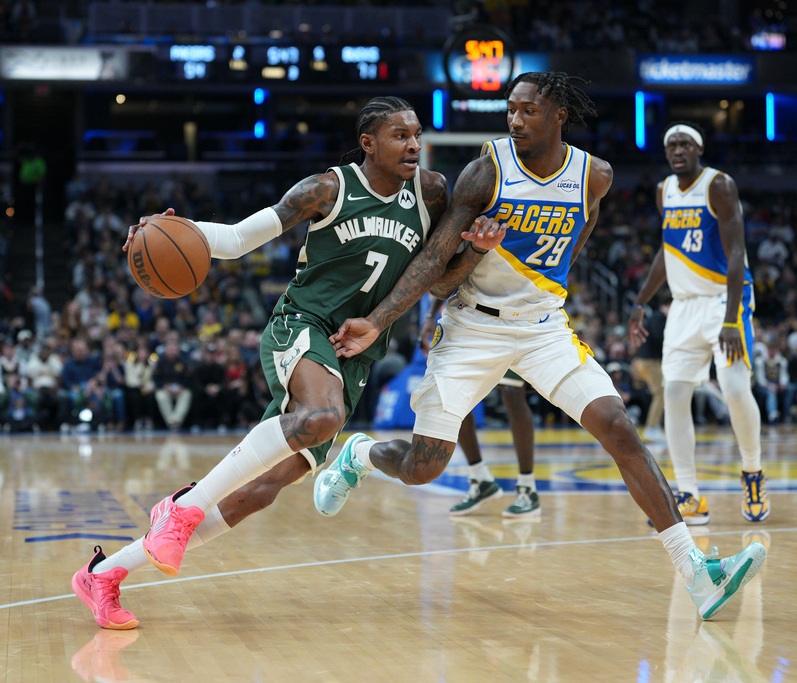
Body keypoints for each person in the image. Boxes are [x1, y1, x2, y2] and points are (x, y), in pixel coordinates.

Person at [323, 73, 765, 620]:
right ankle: (360, 454)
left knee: (618, 426)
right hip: (472, 328)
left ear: (559, 116)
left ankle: (698, 574)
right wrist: (380, 316)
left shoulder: (593, 177)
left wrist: (540, 291)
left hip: (541, 328)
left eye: (527, 111)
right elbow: (437, 272)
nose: (514, 120)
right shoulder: (485, 172)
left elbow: (575, 243)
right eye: (510, 110)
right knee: (423, 467)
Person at [71, 96, 500, 630]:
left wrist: (476, 252)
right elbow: (236, 239)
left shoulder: (431, 191)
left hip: (358, 351)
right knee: (322, 417)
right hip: (302, 325)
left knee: (259, 490)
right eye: (399, 135)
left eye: (417, 134)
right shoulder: (325, 189)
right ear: (368, 143)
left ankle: (103, 575)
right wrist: (176, 229)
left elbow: (435, 277)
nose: (414, 144)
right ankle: (178, 509)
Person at [628, 121, 769, 524]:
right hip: (685, 305)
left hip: (726, 300)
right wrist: (641, 300)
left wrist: (730, 320)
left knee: (735, 388)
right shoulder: (663, 191)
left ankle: (753, 471)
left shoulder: (718, 185)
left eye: (684, 143)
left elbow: (738, 250)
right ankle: (689, 493)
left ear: (699, 148)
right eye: (671, 144)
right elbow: (668, 251)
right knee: (673, 393)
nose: (677, 149)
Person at [420, 296, 539, 517]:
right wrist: (430, 315)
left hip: (515, 314)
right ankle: (480, 478)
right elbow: (445, 272)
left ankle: (527, 486)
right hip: (472, 318)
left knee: (512, 392)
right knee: (455, 393)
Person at [630, 297, 667, 443]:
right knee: (661, 393)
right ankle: (652, 428)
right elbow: (660, 338)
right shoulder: (659, 318)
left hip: (643, 361)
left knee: (658, 393)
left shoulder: (654, 318)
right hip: (649, 362)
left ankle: (654, 426)